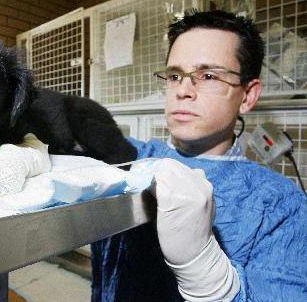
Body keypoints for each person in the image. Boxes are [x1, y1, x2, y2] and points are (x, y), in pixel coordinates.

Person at [91, 10, 307, 302]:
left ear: (247, 96)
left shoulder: (281, 205)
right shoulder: (134, 157)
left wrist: (207, 275)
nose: (183, 90)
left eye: (207, 75)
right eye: (175, 75)